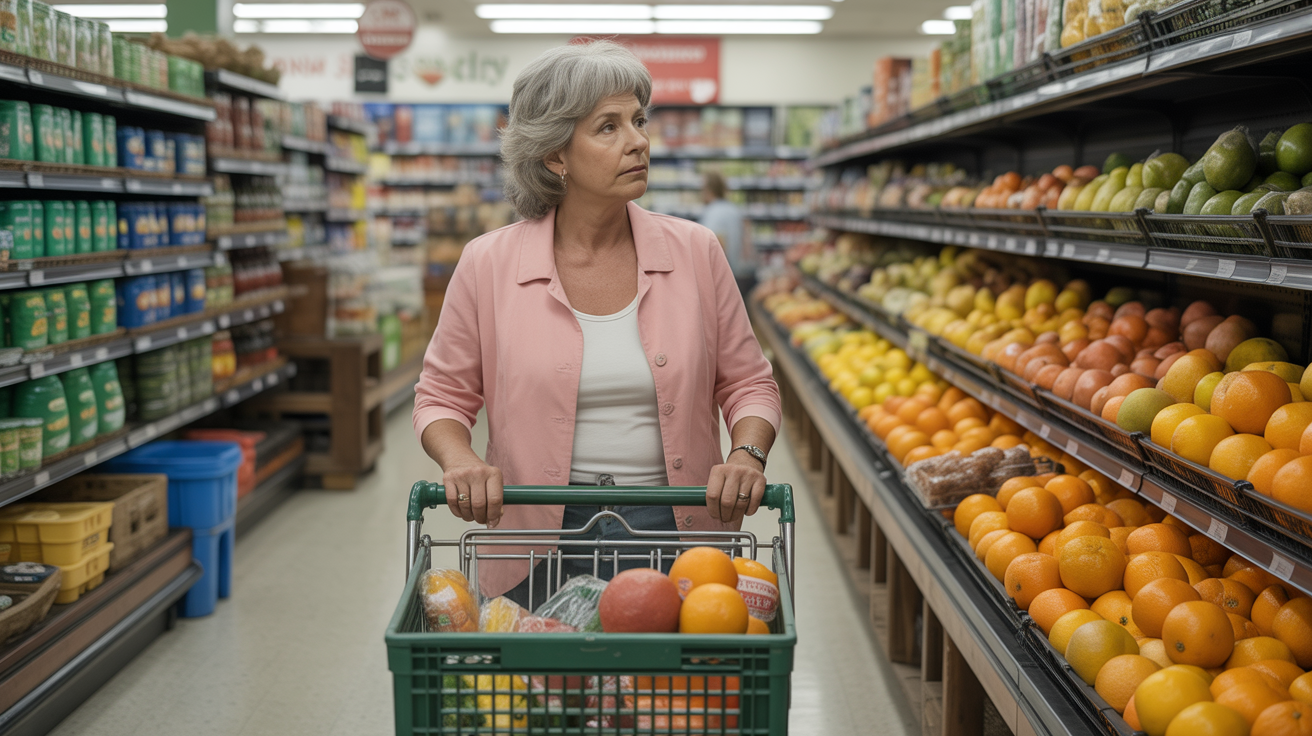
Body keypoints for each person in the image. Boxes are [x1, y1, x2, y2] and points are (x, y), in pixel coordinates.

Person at [412, 41, 781, 608]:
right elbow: (441, 394)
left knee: (669, 698)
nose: (638, 140)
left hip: (679, 533)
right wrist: (460, 459)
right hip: (537, 534)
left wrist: (745, 455)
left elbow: (749, 383)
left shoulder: (696, 252)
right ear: (555, 154)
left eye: (638, 120)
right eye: (607, 127)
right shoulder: (488, 264)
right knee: (550, 695)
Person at [698, 171, 756, 298]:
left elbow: (716, 245)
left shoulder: (713, 212)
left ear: (708, 189)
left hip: (723, 278)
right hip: (740, 274)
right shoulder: (733, 209)